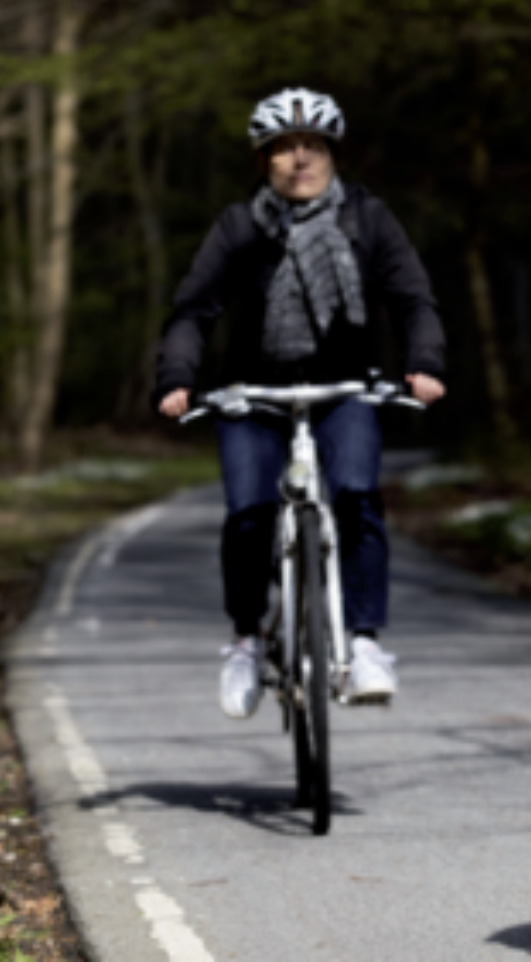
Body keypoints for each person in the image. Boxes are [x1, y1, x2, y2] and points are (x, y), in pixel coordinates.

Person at [156, 87, 447, 719]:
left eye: (311, 146)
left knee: (357, 498)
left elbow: (412, 298)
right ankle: (246, 639)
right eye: (283, 148)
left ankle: (364, 643)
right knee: (249, 515)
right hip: (253, 396)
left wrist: (423, 363)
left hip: (344, 391)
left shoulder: (368, 219)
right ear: (264, 162)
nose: (299, 160)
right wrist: (178, 376)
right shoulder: (239, 228)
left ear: (332, 155)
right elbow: (194, 310)